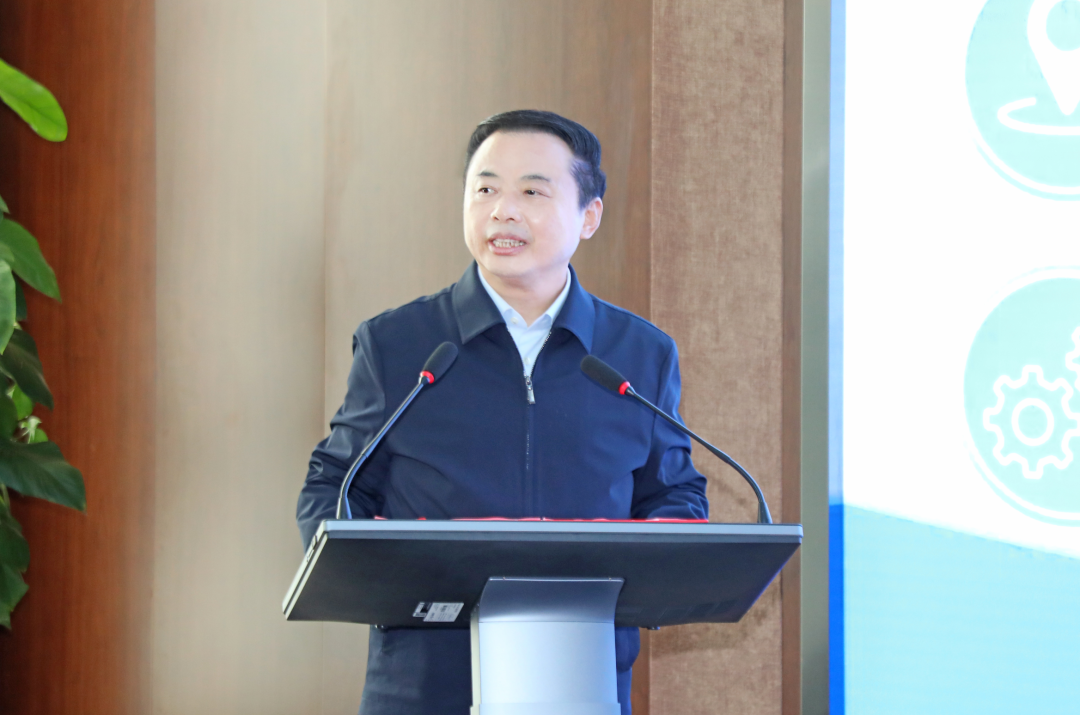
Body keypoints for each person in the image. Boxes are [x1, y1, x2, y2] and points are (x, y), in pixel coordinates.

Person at [297, 109, 709, 715]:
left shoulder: (639, 355)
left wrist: (649, 565)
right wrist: (379, 578)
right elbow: (333, 486)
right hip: (421, 686)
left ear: (589, 215)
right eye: (485, 189)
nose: (502, 211)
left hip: (582, 679)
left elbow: (674, 494)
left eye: (532, 192)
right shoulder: (400, 345)